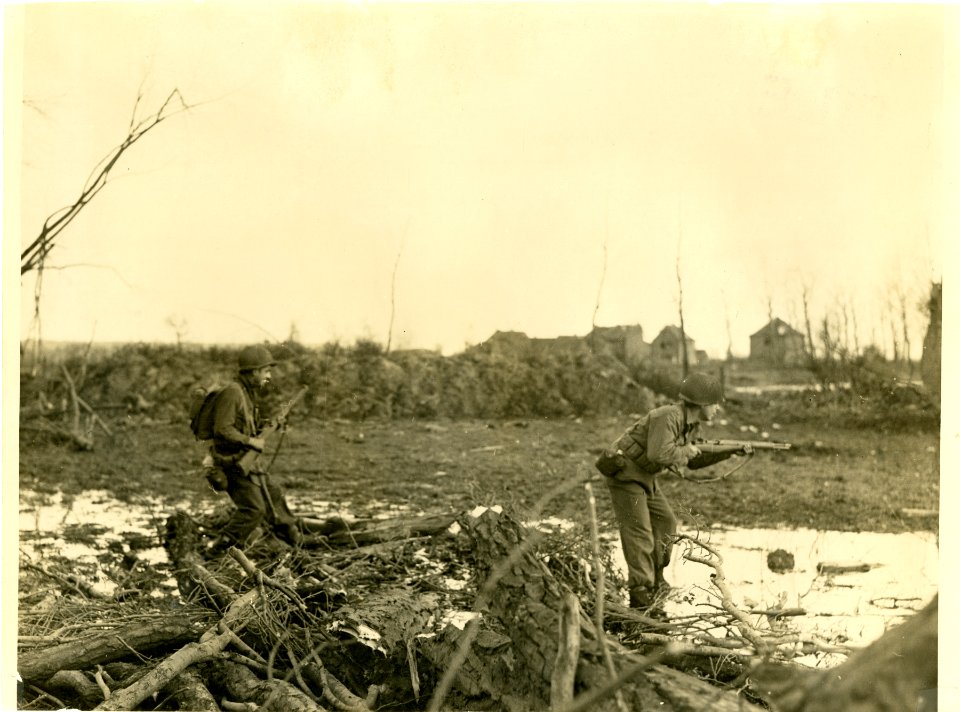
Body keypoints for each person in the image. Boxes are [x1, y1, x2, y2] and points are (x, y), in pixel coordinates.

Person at [596, 372, 747, 611]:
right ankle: (640, 591)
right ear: (702, 403)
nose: (717, 409)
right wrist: (687, 451)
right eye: (716, 403)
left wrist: (729, 452)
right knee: (640, 532)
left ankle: (656, 579)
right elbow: (659, 454)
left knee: (666, 524)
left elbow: (694, 460)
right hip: (626, 474)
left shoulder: (691, 425)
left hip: (645, 477)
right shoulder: (668, 416)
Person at [206, 345, 302, 553]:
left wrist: (271, 425)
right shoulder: (233, 392)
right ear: (254, 371)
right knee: (253, 509)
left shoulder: (247, 393)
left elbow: (248, 426)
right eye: (266, 371)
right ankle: (219, 549)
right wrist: (250, 442)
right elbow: (222, 429)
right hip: (232, 464)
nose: (269, 376)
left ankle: (293, 538)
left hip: (247, 461)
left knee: (274, 494)